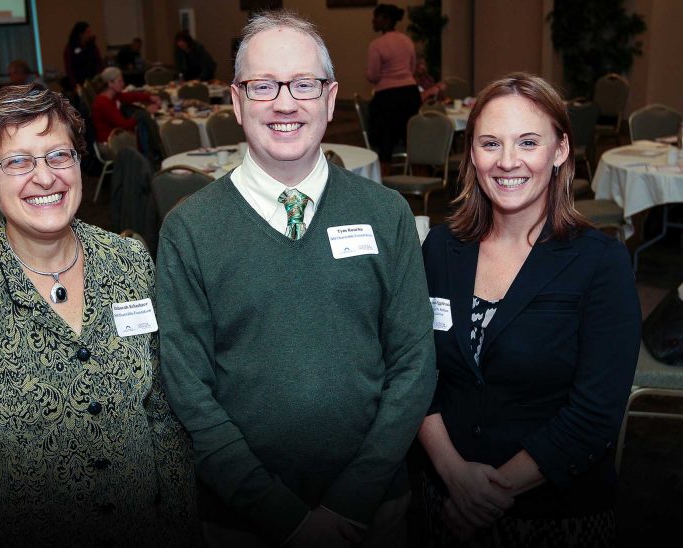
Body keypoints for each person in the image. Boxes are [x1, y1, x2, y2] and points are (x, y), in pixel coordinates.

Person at [157, 10, 436, 548]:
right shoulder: (188, 230)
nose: (285, 103)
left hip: (372, 510)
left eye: (304, 84)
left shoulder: (387, 214)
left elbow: (414, 365)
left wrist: (351, 500)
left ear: (330, 99)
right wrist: (283, 515)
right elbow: (188, 390)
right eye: (263, 85)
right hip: (243, 520)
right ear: (236, 102)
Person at [0, 83, 198, 547]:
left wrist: (182, 528)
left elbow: (164, 412)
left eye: (58, 155)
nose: (45, 178)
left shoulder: (129, 263)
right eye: (18, 162)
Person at [418, 72, 641, 546]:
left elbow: (595, 413)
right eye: (490, 143)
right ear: (471, 154)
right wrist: (455, 475)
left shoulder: (601, 263)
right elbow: (414, 373)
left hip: (555, 517)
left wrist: (489, 493)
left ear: (560, 151)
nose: (507, 161)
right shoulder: (439, 249)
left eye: (527, 142)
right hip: (444, 501)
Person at [365, 3, 421, 176]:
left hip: (388, 96)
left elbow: (373, 76)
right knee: (410, 133)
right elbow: (411, 69)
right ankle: (416, 173)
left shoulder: (377, 44)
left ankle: (384, 177)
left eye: (377, 17)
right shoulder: (407, 41)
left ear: (386, 20)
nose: (373, 21)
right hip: (410, 94)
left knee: (385, 138)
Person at [90, 66, 159, 143]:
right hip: (110, 142)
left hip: (117, 136)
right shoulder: (103, 103)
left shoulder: (113, 95)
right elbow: (124, 125)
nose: (123, 84)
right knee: (142, 118)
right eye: (120, 81)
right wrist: (146, 111)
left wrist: (150, 97)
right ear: (110, 83)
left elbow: (131, 96)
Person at [63, 21, 104, 88]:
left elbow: (99, 62)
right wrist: (75, 85)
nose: (90, 34)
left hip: (94, 81)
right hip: (80, 82)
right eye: (87, 32)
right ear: (81, 34)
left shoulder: (92, 46)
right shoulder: (70, 48)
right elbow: (69, 69)